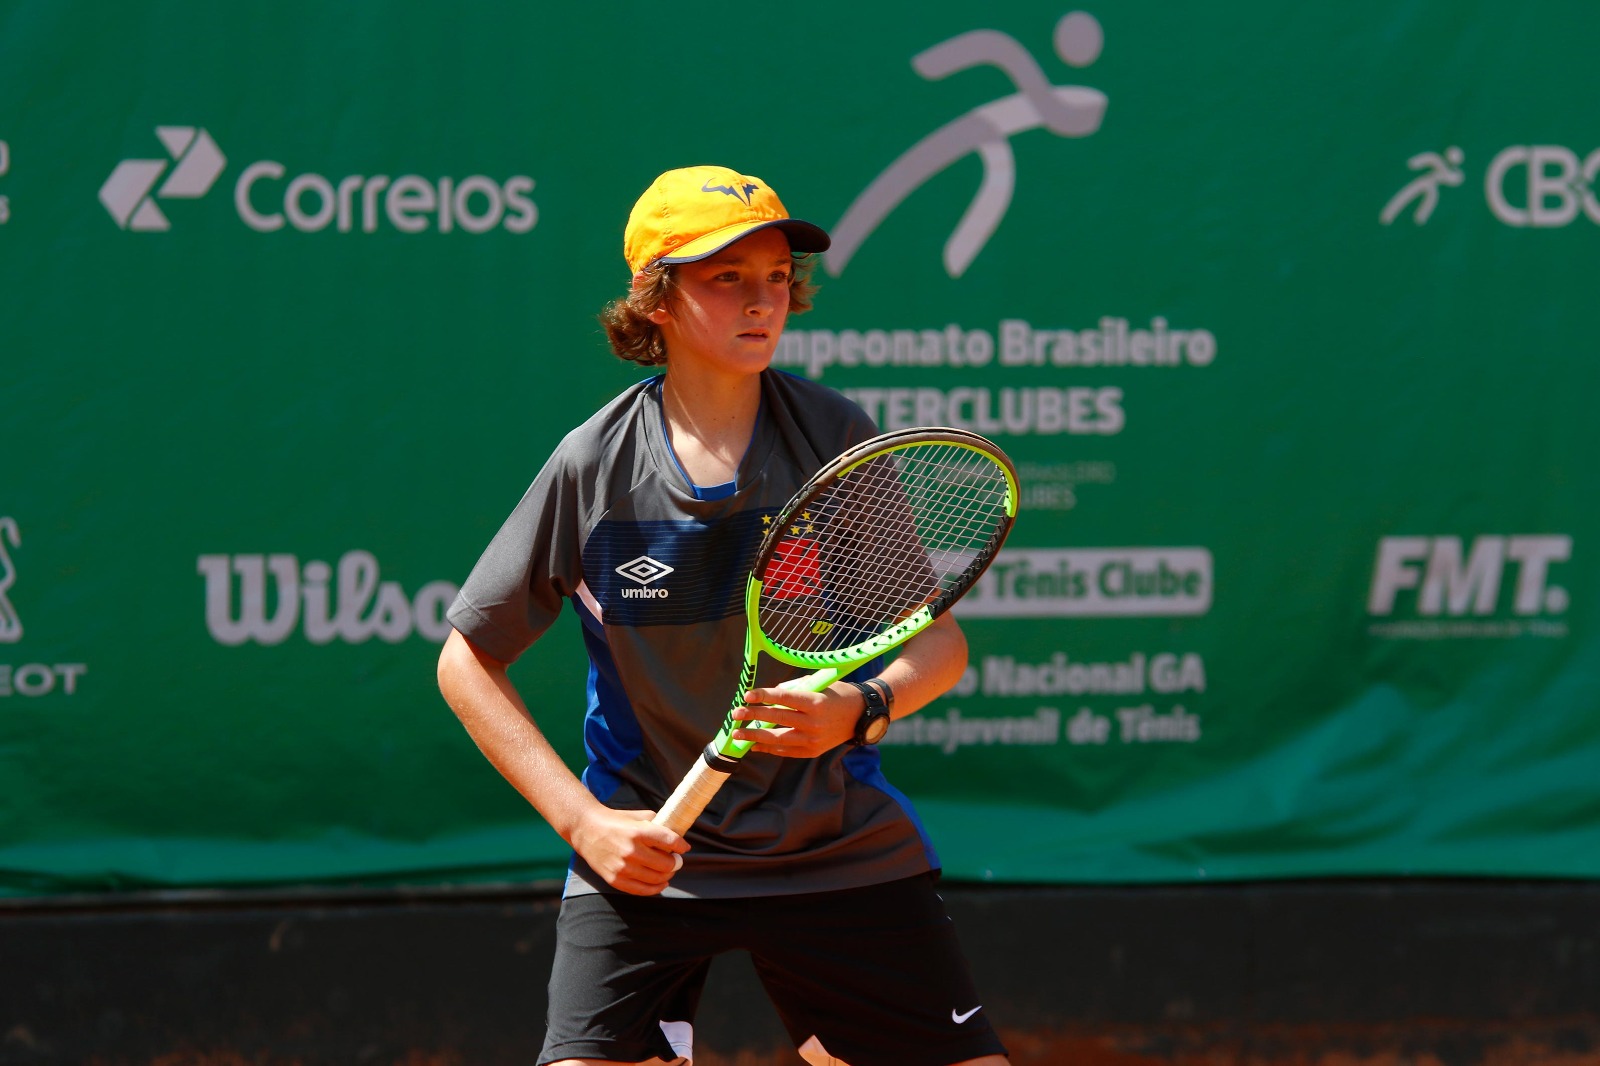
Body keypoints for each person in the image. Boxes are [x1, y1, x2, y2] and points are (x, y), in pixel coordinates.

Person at [437, 164, 1008, 1066]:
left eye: (777, 277)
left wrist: (858, 710)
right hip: (647, 852)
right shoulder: (594, 466)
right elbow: (465, 661)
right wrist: (584, 825)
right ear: (656, 301)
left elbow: (936, 640)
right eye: (726, 278)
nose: (762, 301)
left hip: (836, 848)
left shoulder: (835, 437)